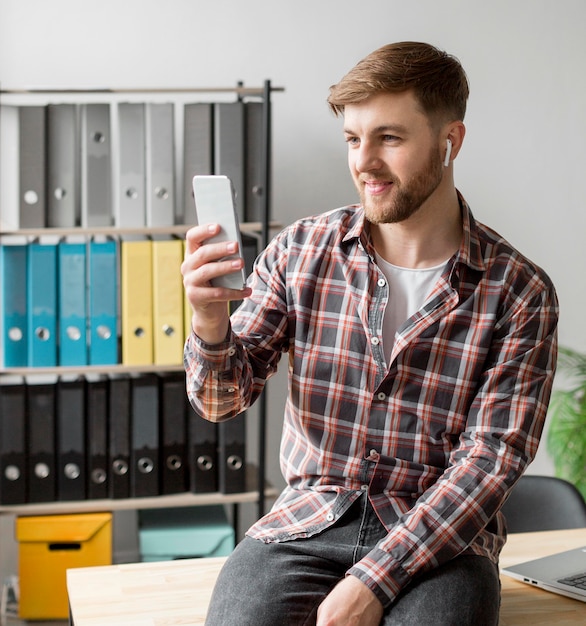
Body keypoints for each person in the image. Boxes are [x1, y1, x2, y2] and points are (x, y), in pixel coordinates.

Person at [181, 41, 559, 626]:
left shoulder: (520, 292)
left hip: (440, 543)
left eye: (390, 137)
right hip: (307, 522)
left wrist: (374, 581)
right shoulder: (301, 252)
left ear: (450, 141)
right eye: (354, 140)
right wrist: (209, 324)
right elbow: (218, 403)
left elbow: (490, 462)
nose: (364, 162)